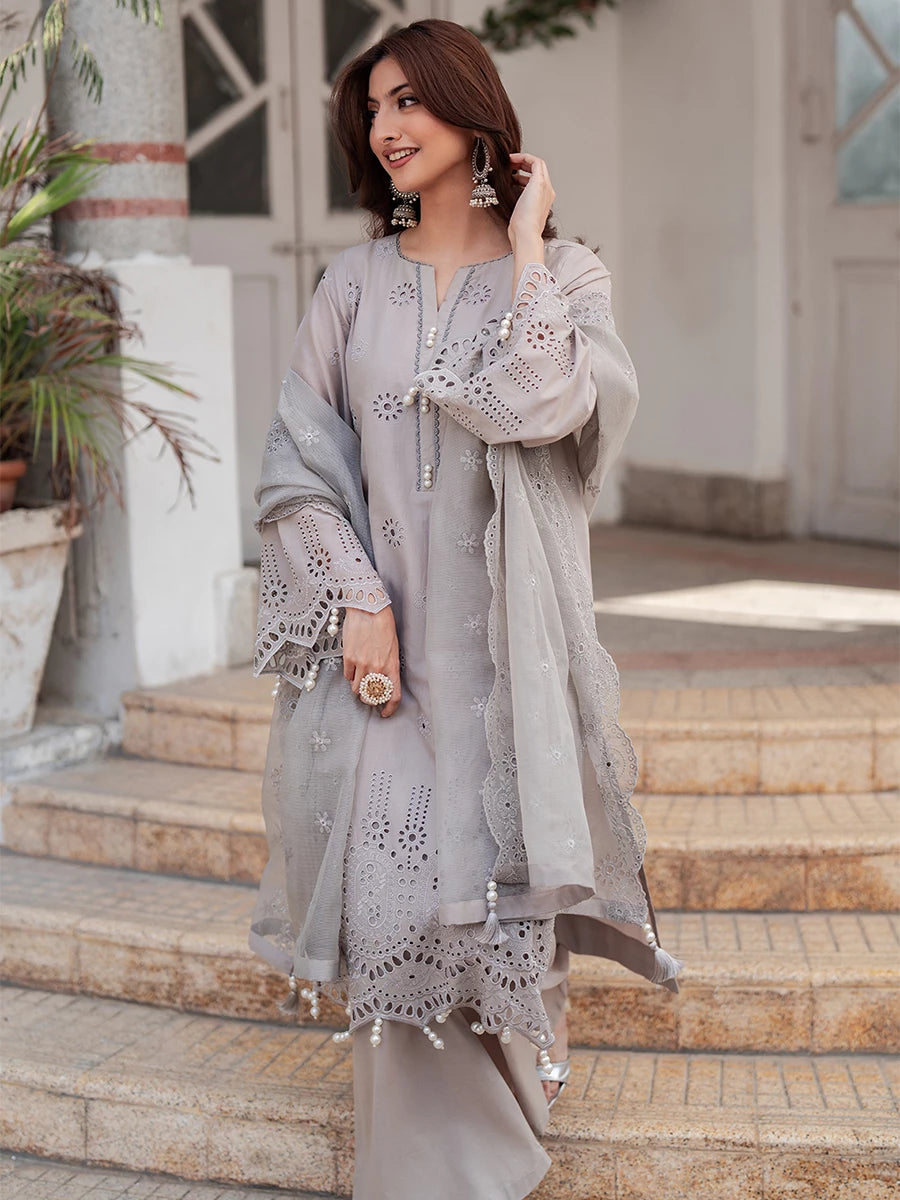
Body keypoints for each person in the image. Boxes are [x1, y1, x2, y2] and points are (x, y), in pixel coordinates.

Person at [248, 18, 681, 1200]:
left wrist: (528, 241)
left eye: (408, 101)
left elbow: (543, 404)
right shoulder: (351, 286)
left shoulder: (568, 277)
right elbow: (294, 465)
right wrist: (357, 598)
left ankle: (506, 1113)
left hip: (508, 663)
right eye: (372, 109)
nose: (387, 127)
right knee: (394, 908)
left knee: (495, 895)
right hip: (386, 661)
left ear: (468, 107)